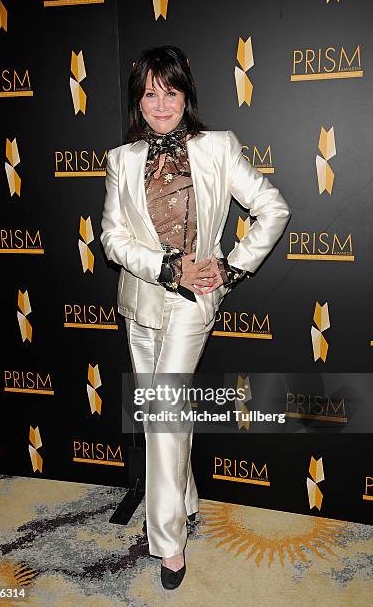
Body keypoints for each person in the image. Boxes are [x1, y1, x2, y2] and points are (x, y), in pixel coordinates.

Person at [100, 45, 291, 589]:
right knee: (163, 414)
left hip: (193, 302)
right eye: (150, 92)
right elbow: (112, 240)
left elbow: (273, 208)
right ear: (139, 99)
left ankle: (167, 542)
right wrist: (163, 266)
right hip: (140, 301)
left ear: (187, 94)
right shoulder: (122, 159)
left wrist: (232, 268)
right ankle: (184, 498)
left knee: (163, 415)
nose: (161, 103)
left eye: (171, 91)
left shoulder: (217, 147)